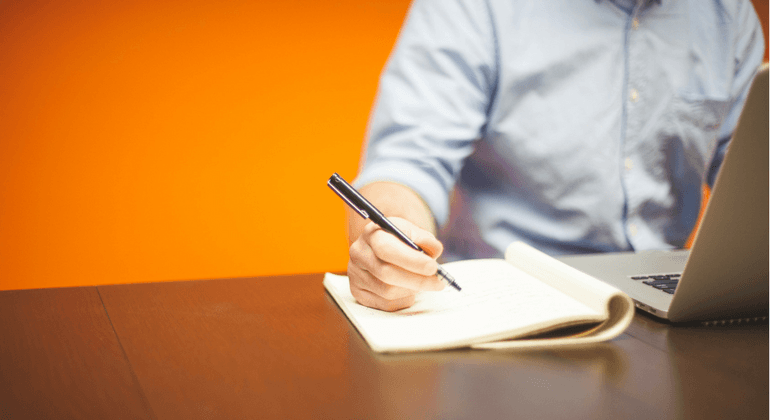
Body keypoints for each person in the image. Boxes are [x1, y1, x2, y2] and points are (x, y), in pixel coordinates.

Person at [345, 0, 765, 311]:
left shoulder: (729, 15)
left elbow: (752, 178)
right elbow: (407, 162)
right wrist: (393, 237)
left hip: (672, 305)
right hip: (502, 302)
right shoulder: (474, 8)